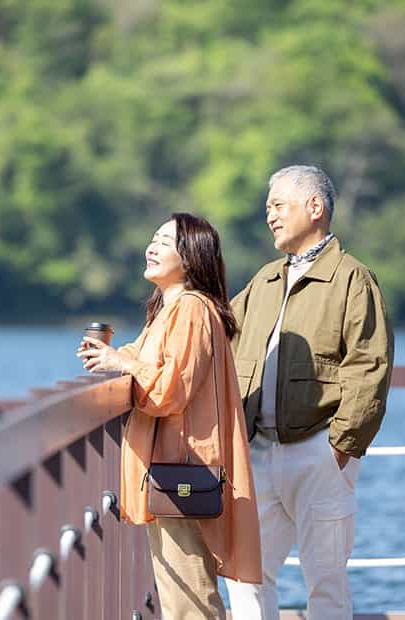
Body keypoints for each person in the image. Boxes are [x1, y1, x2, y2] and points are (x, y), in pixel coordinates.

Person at [223, 165, 395, 619]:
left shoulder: (353, 280)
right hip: (259, 450)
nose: (270, 217)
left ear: (314, 207)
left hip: (320, 449)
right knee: (245, 574)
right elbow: (214, 332)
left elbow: (369, 367)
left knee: (326, 580)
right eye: (268, 209)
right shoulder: (264, 280)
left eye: (278, 205)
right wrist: (135, 356)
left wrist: (340, 448)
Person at [77, 212, 262, 619]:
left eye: (164, 241)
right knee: (182, 597)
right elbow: (144, 358)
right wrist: (112, 357)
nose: (152, 246)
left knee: (190, 604)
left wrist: (120, 363)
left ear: (191, 257)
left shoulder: (192, 309)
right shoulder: (169, 308)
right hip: (174, 470)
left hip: (183, 472)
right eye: (153, 238)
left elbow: (168, 390)